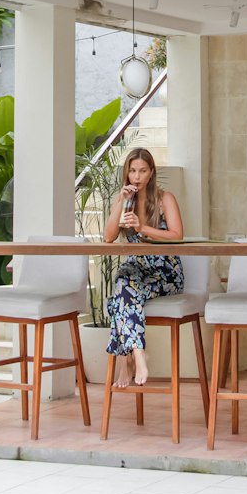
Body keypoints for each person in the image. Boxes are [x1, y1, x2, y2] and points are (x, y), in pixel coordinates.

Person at [103, 147, 184, 386]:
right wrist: (122, 202)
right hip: (135, 269)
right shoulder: (124, 200)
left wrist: (142, 228)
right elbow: (108, 237)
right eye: (132, 171)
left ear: (151, 173)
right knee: (122, 285)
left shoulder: (164, 198)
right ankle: (138, 355)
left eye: (142, 171)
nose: (137, 177)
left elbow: (178, 236)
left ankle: (125, 361)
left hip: (164, 271)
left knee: (120, 292)